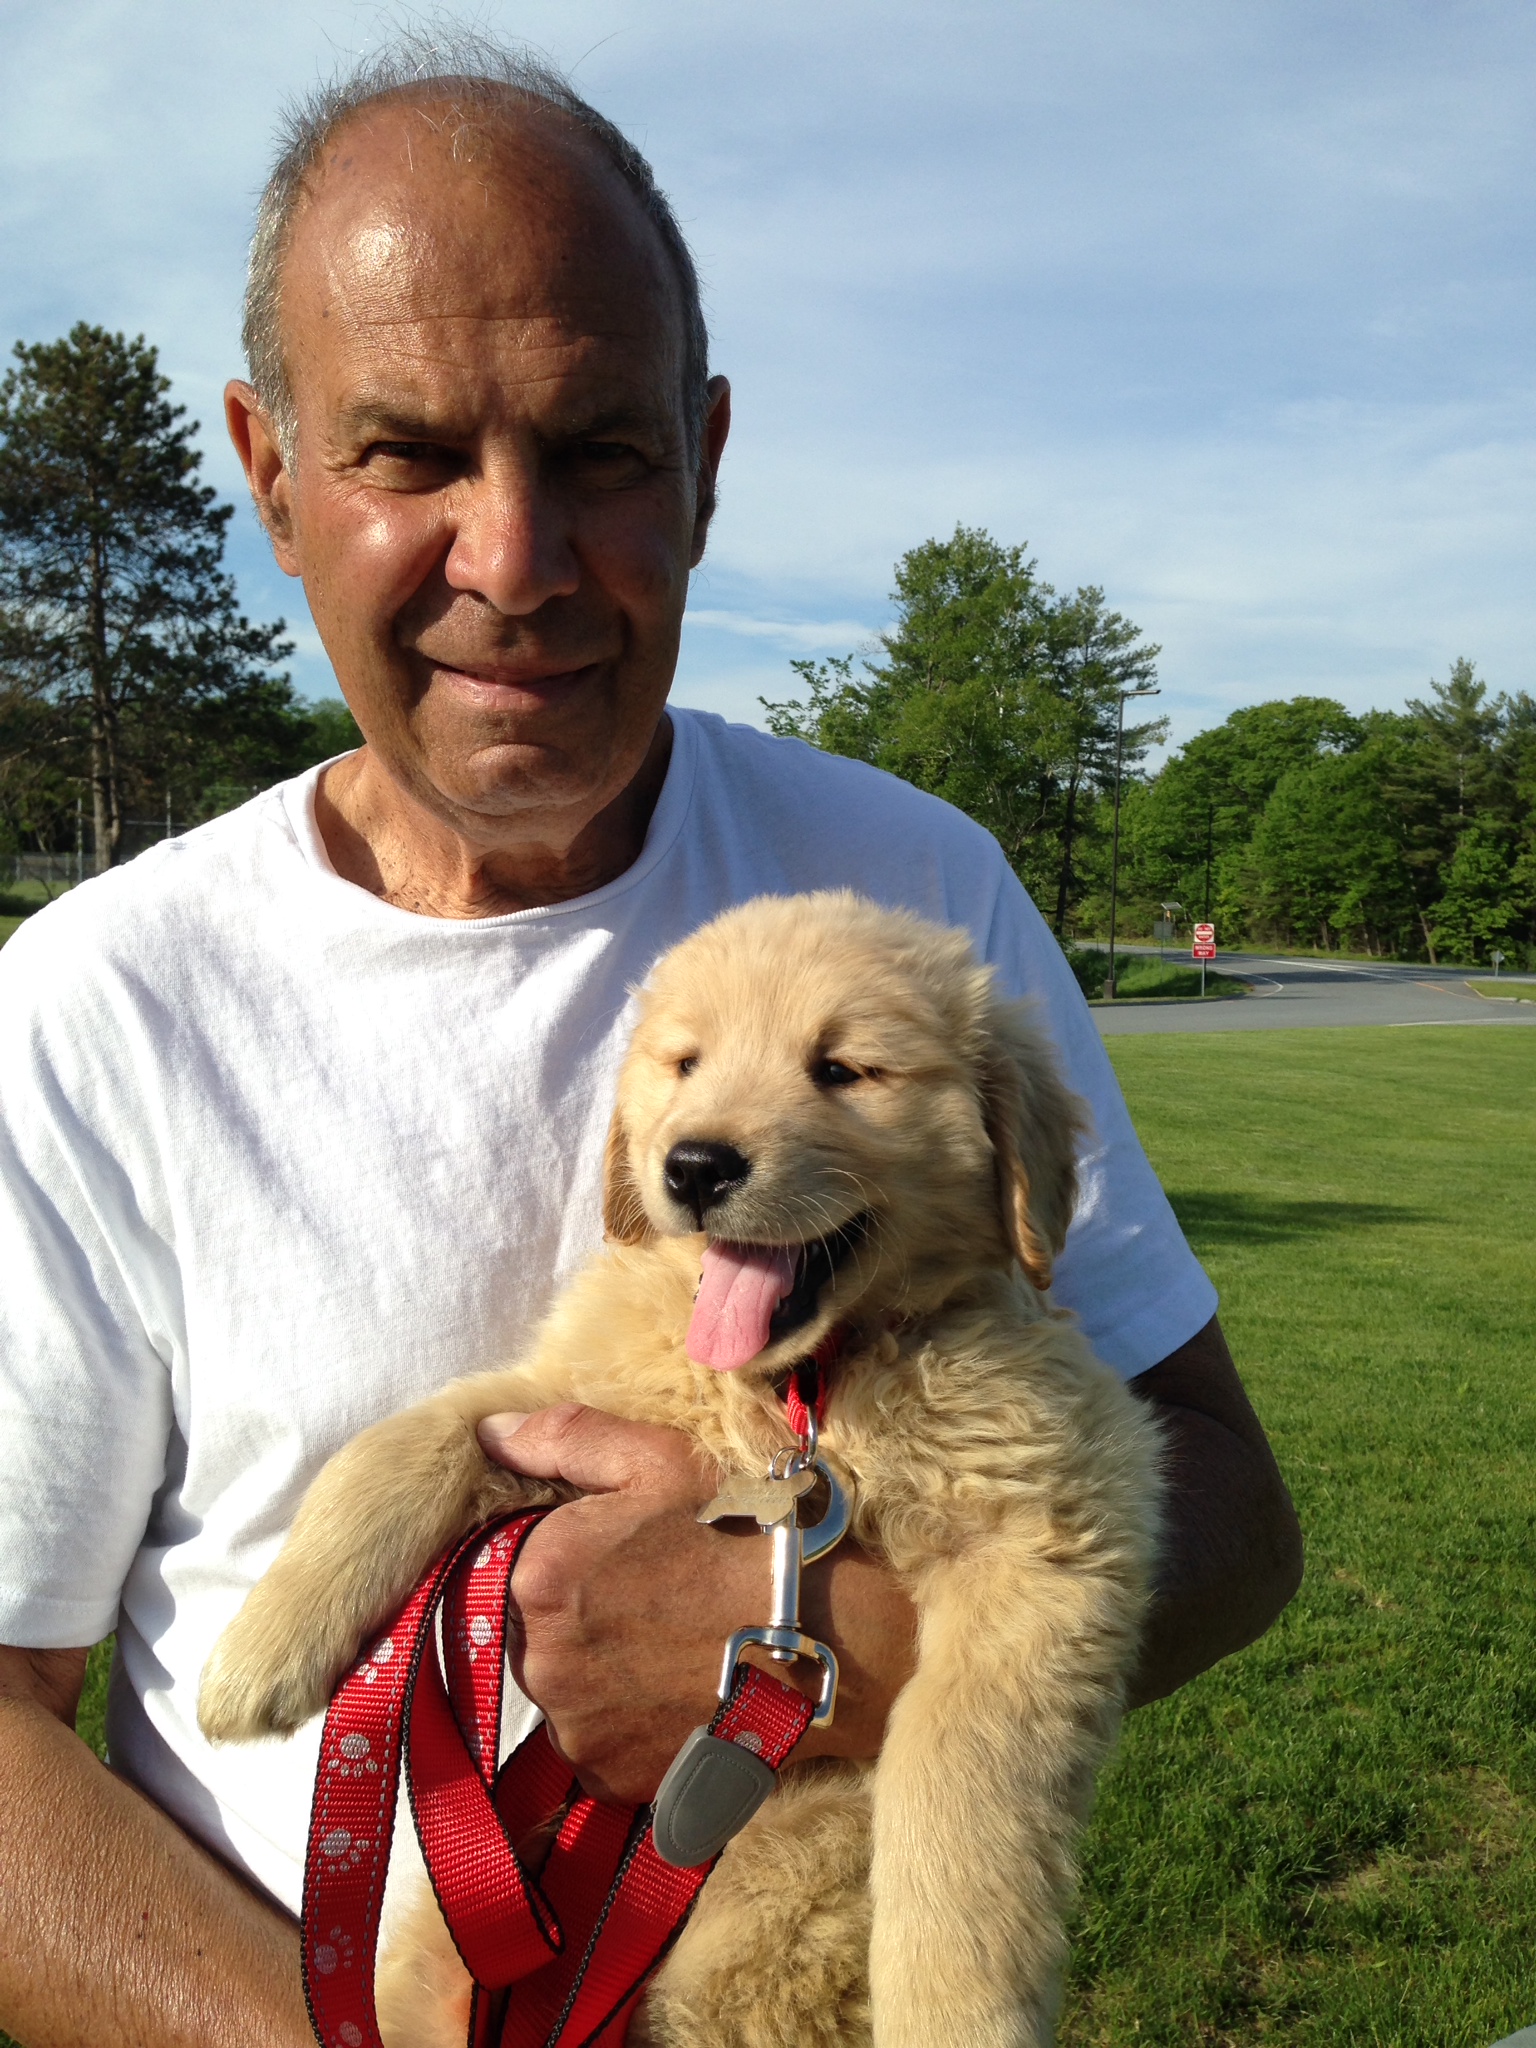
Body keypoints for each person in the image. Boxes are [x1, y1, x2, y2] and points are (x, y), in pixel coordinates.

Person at [0, 35, 1302, 2048]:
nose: (514, 563)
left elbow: (1224, 1500)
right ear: (269, 472)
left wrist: (824, 1641)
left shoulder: (906, 882)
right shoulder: (98, 1009)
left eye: (599, 451)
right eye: (408, 453)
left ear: (704, 457)